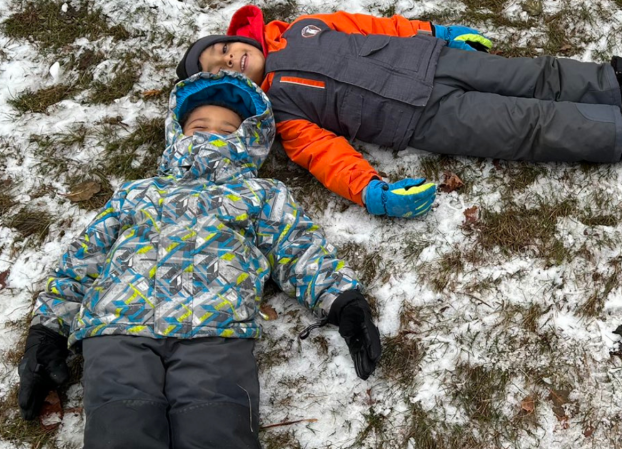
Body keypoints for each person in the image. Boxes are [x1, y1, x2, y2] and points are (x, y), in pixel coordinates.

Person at [17, 71, 382, 449]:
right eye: (199, 125)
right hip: (119, 327)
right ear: (178, 132)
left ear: (250, 140)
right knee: (121, 427)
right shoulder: (138, 193)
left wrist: (343, 300)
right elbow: (82, 259)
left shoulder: (259, 195)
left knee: (217, 429)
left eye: (227, 129)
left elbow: (298, 247)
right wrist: (47, 333)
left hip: (215, 330)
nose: (211, 134)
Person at [176, 5, 622, 218]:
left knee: (533, 74)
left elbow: (375, 27)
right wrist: (370, 191)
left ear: (236, 37)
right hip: (420, 118)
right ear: (227, 82)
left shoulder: (306, 27)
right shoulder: (282, 109)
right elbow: (325, 154)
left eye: (224, 47)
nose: (230, 57)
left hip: (434, 60)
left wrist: (437, 32)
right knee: (526, 126)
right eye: (221, 66)